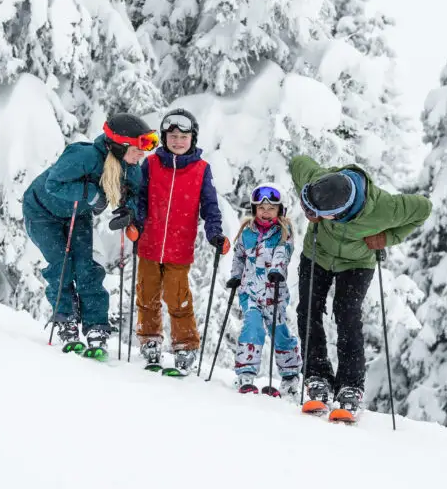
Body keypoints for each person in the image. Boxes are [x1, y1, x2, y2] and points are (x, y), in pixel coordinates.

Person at [290, 155, 432, 413]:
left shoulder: (386, 208)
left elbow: (423, 208)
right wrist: (309, 206)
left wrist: (388, 237)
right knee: (307, 310)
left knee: (347, 316)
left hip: (356, 264)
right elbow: (298, 162)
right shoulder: (319, 180)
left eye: (326, 215)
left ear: (341, 214)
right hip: (317, 254)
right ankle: (317, 375)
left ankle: (350, 386)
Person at [22, 113, 158, 351]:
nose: (142, 155)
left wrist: (130, 212)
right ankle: (66, 320)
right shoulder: (83, 156)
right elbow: (53, 184)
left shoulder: (130, 168)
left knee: (86, 266)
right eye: (137, 148)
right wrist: (91, 194)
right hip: (42, 212)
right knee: (61, 264)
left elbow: (136, 194)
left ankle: (96, 325)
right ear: (119, 146)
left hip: (77, 214)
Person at [127, 108, 227, 373]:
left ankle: (185, 345)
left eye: (184, 136)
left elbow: (210, 207)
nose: (178, 141)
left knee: (177, 298)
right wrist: (135, 222)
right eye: (172, 136)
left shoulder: (201, 169)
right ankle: (149, 340)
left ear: (193, 139)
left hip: (179, 249)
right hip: (149, 244)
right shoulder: (151, 164)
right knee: (146, 295)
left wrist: (215, 233)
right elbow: (140, 199)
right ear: (164, 137)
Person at [227, 182, 302, 396]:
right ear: (254, 209)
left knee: (280, 332)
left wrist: (277, 270)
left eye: (271, 208)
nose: (266, 212)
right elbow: (239, 256)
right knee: (253, 327)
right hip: (250, 292)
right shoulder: (247, 233)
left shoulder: (283, 233)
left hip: (274, 293)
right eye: (261, 208)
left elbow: (283, 252)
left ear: (280, 210)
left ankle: (289, 376)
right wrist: (235, 276)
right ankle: (246, 374)